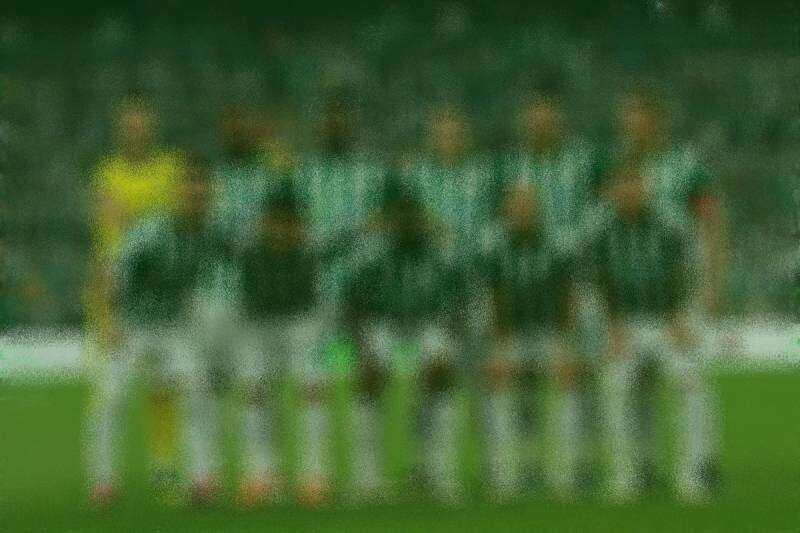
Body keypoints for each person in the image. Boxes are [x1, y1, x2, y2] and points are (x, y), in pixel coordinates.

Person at [85, 93, 185, 506]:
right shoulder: (106, 174)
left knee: (164, 388)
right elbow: (106, 247)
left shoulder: (171, 168)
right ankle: (103, 476)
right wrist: (105, 315)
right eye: (129, 126)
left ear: (151, 128)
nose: (135, 132)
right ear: (120, 130)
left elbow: (174, 225)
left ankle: (164, 465)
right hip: (120, 294)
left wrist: (133, 219)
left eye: (141, 125)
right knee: (110, 395)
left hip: (163, 295)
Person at [343, 178, 468, 502]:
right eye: (401, 214)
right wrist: (361, 348)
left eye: (413, 214)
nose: (408, 222)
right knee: (368, 376)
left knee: (440, 370)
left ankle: (439, 470)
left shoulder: (441, 253)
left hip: (429, 324)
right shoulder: (371, 255)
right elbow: (351, 304)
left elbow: (462, 301)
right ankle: (367, 476)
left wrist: (448, 342)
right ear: (390, 218)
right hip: (383, 325)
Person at [595, 162, 710, 503]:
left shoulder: (670, 225)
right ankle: (624, 475)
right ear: (613, 191)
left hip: (667, 319)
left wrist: (682, 314)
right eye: (623, 185)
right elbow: (597, 279)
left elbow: (689, 270)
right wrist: (611, 325)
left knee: (691, 384)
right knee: (614, 388)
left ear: (646, 188)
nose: (630, 192)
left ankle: (692, 473)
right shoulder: (602, 231)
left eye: (635, 185)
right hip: (626, 323)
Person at [234, 181, 339, 506]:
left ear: (300, 221)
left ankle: (315, 474)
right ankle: (261, 472)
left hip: (302, 321)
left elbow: (349, 239)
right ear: (263, 220)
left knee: (313, 388)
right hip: (257, 323)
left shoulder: (314, 246)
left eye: (289, 220)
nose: (281, 228)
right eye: (275, 219)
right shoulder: (246, 247)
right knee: (255, 390)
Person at [479, 181, 576, 500]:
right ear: (506, 209)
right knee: (498, 385)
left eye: (527, 204)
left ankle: (565, 473)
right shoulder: (494, 247)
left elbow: (567, 294)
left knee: (567, 382)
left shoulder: (557, 244)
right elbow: (490, 297)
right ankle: (504, 474)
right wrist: (496, 348)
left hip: (549, 332)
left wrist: (565, 345)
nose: (522, 211)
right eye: (516, 205)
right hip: (510, 334)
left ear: (538, 208)